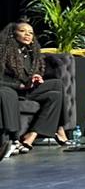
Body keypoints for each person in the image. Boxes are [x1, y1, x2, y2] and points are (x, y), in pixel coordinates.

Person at [0, 20, 72, 151]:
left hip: (28, 90)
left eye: (30, 33)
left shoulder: (30, 53)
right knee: (54, 95)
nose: (27, 35)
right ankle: (59, 129)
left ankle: (32, 135)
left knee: (57, 86)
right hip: (12, 90)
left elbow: (31, 75)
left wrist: (36, 77)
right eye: (23, 31)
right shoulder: (3, 52)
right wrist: (20, 86)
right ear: (12, 34)